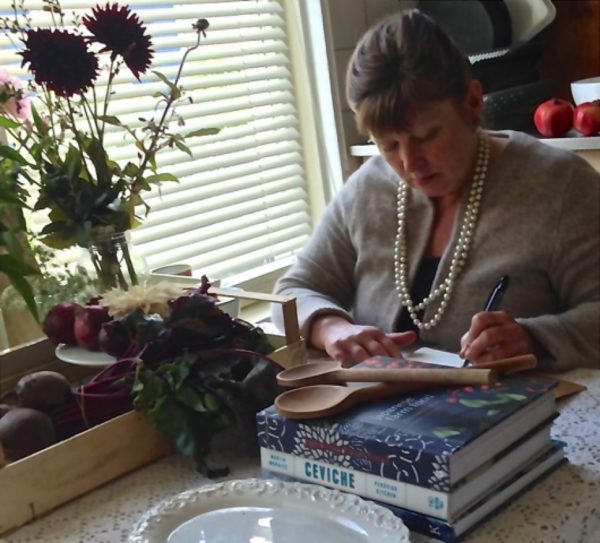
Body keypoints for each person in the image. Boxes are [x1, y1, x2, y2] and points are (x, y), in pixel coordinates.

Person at [272, 9, 600, 372]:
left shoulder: (559, 184)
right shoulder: (368, 187)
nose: (410, 164)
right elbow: (292, 292)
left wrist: (535, 338)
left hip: (519, 421)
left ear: (473, 102)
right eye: (388, 145)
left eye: (427, 137)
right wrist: (330, 327)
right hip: (375, 416)